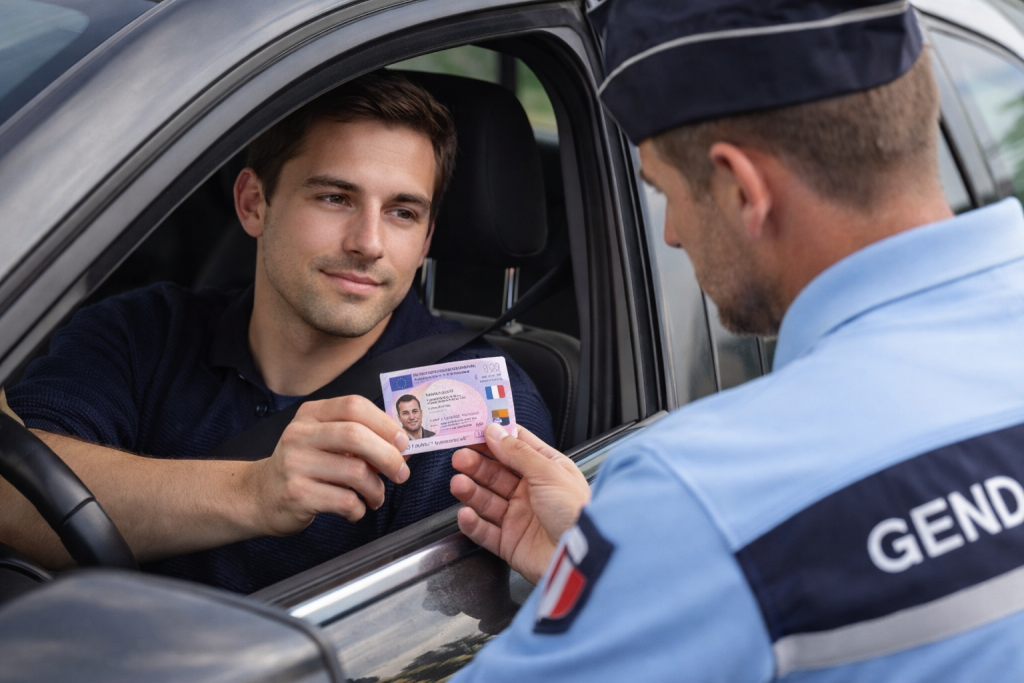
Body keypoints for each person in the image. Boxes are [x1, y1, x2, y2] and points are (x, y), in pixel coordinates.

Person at [448, 1, 1024, 681]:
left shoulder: (700, 497)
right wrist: (630, 579)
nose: (670, 235)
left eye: (664, 192)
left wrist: (642, 563)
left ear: (743, 190)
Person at [0, 70, 553, 593]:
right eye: (335, 198)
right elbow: (11, 497)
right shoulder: (139, 331)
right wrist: (252, 493)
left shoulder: (475, 404)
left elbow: (443, 632)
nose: (368, 243)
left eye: (402, 213)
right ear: (253, 204)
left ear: (427, 238)